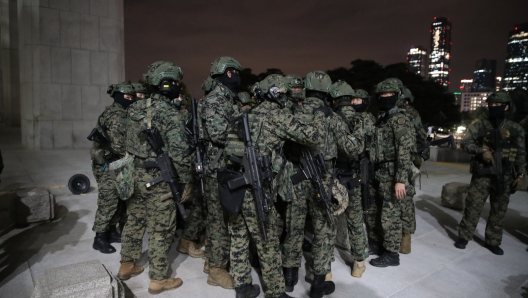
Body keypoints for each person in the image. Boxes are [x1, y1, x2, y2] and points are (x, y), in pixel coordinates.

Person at [223, 74, 329, 298]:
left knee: (239, 234)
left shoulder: (246, 114)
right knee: (267, 238)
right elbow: (314, 136)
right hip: (257, 185)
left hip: (236, 184)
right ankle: (276, 292)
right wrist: (320, 116)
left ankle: (242, 286)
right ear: (276, 94)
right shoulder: (277, 115)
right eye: (283, 93)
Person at [282, 71, 364, 298]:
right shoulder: (331, 116)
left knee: (294, 228)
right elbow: (352, 149)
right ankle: (318, 283)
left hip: (296, 178)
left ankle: (289, 279)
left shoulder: (293, 111)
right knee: (323, 231)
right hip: (323, 180)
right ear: (328, 92)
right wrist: (359, 130)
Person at [117, 61, 191, 294]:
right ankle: (159, 278)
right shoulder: (170, 113)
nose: (178, 86)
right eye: (175, 82)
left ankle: (126, 264)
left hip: (134, 174)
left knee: (135, 219)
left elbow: (123, 143)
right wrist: (186, 181)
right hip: (159, 178)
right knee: (162, 228)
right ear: (167, 83)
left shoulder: (135, 108)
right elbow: (180, 154)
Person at [454, 91, 526, 255]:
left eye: (497, 105)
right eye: (491, 105)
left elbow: (521, 153)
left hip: (505, 174)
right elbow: (466, 142)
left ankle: (493, 241)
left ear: (506, 106)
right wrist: (481, 151)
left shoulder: (515, 129)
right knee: (473, 206)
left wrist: (521, 174)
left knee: (499, 209)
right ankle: (464, 236)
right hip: (482, 174)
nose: (494, 108)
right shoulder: (480, 125)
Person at [198, 56, 242, 289]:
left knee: (221, 218)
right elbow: (218, 134)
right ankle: (216, 269)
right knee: (218, 221)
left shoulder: (228, 98)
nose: (238, 76)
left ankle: (213, 260)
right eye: (236, 72)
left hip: (226, 166)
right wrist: (247, 135)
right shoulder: (216, 99)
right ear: (228, 73)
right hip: (218, 169)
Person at [368, 80, 416, 268]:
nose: (386, 98)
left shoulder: (400, 119)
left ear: (397, 96)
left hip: (392, 174)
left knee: (390, 216)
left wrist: (401, 180)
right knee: (375, 212)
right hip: (378, 172)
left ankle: (391, 253)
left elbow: (404, 151)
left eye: (390, 95)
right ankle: (377, 244)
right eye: (383, 96)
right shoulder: (382, 118)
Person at [329, 81, 369, 278]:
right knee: (355, 221)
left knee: (328, 222)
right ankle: (359, 263)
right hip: (354, 177)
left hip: (333, 178)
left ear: (335, 98)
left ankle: (325, 268)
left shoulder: (330, 118)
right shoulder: (363, 119)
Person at [90, 83, 134, 254]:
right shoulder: (116, 115)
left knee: (119, 201)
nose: (130, 101)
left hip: (116, 163)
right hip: (108, 165)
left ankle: (111, 232)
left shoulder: (119, 113)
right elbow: (118, 145)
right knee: (108, 202)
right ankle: (99, 237)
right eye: (128, 98)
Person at [396, 86, 427, 254]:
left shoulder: (404, 113)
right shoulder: (413, 114)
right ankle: (405, 239)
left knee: (404, 200)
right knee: (406, 201)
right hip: (409, 161)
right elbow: (422, 135)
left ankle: (405, 238)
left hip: (406, 161)